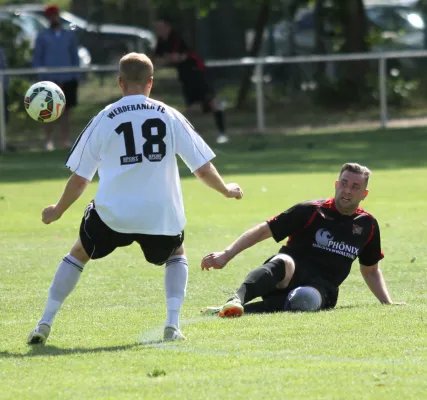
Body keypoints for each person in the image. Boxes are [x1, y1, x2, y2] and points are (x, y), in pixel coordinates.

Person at [27, 52, 243, 345]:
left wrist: (58, 209)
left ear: (119, 82)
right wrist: (225, 189)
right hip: (159, 215)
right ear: (150, 83)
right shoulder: (169, 115)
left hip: (113, 214)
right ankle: (172, 325)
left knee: (79, 253)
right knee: (177, 253)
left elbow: (80, 179)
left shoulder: (103, 118)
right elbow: (202, 169)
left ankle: (44, 322)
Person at [201, 163, 404, 317]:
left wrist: (387, 303)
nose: (348, 190)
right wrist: (226, 255)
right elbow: (264, 230)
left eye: (355, 186)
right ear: (336, 184)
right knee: (282, 261)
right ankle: (235, 300)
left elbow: (370, 270)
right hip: (288, 274)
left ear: (364, 194)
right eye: (344, 184)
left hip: (322, 288)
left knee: (304, 299)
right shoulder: (311, 210)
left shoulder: (367, 225)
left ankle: (233, 311)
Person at [153, 17, 229, 145]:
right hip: (185, 77)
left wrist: (168, 59)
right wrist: (168, 59)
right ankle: (188, 138)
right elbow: (157, 58)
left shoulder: (177, 38)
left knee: (212, 102)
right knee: (194, 108)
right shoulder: (161, 41)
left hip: (198, 74)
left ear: (167, 26)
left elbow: (178, 57)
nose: (158, 30)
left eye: (160, 27)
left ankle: (222, 134)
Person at [32, 4, 80, 151]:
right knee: (48, 111)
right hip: (50, 79)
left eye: (55, 15)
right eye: (51, 16)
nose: (54, 18)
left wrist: (76, 74)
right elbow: (37, 58)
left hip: (67, 78)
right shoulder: (42, 36)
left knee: (65, 112)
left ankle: (65, 141)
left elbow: (74, 56)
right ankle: (48, 141)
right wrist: (41, 76)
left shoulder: (69, 35)